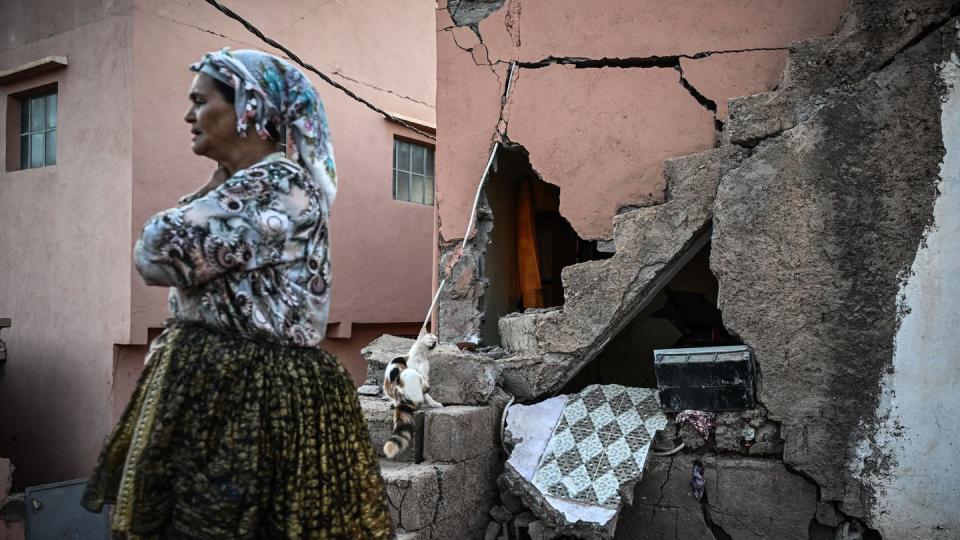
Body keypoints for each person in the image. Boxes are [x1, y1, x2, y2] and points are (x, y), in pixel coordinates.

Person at [81, 48, 394, 539]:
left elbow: (156, 252)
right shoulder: (251, 187)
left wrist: (210, 192)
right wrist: (215, 185)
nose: (189, 115)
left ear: (250, 108)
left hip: (247, 394)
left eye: (202, 101)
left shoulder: (277, 185)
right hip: (233, 384)